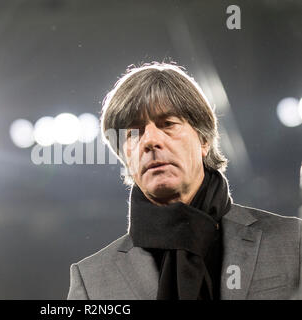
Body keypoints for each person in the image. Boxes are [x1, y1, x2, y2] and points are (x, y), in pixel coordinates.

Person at [67, 62, 301, 300]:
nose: (150, 141)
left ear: (204, 140)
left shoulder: (293, 240)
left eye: (167, 124)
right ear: (125, 157)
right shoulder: (92, 280)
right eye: (133, 133)